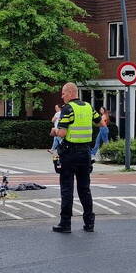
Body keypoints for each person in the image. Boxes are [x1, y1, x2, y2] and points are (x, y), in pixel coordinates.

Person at [51, 82, 100, 233]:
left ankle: (65, 224)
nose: (62, 96)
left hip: (70, 153)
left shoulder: (68, 109)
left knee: (67, 189)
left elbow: (62, 133)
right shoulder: (88, 107)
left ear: (71, 93)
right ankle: (89, 223)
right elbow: (101, 123)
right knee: (85, 188)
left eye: (64, 93)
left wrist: (54, 131)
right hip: (85, 153)